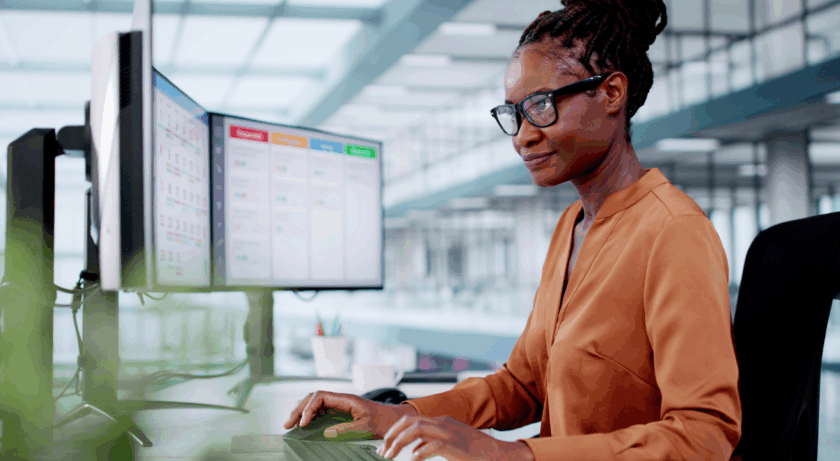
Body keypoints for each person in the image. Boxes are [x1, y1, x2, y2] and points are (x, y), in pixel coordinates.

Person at [284, 0, 742, 459]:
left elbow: (703, 437)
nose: (522, 135)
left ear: (611, 93)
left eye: (541, 105)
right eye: (514, 113)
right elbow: (523, 384)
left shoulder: (674, 231)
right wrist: (396, 415)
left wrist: (518, 454)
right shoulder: (573, 226)